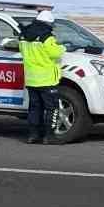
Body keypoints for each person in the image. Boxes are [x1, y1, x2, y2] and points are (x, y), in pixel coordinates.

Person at [18, 11, 64, 144]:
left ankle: (33, 135)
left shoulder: (24, 35)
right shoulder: (47, 37)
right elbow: (54, 53)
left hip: (31, 78)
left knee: (34, 108)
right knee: (52, 108)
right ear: (49, 23)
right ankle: (49, 136)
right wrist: (62, 47)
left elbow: (22, 51)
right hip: (47, 79)